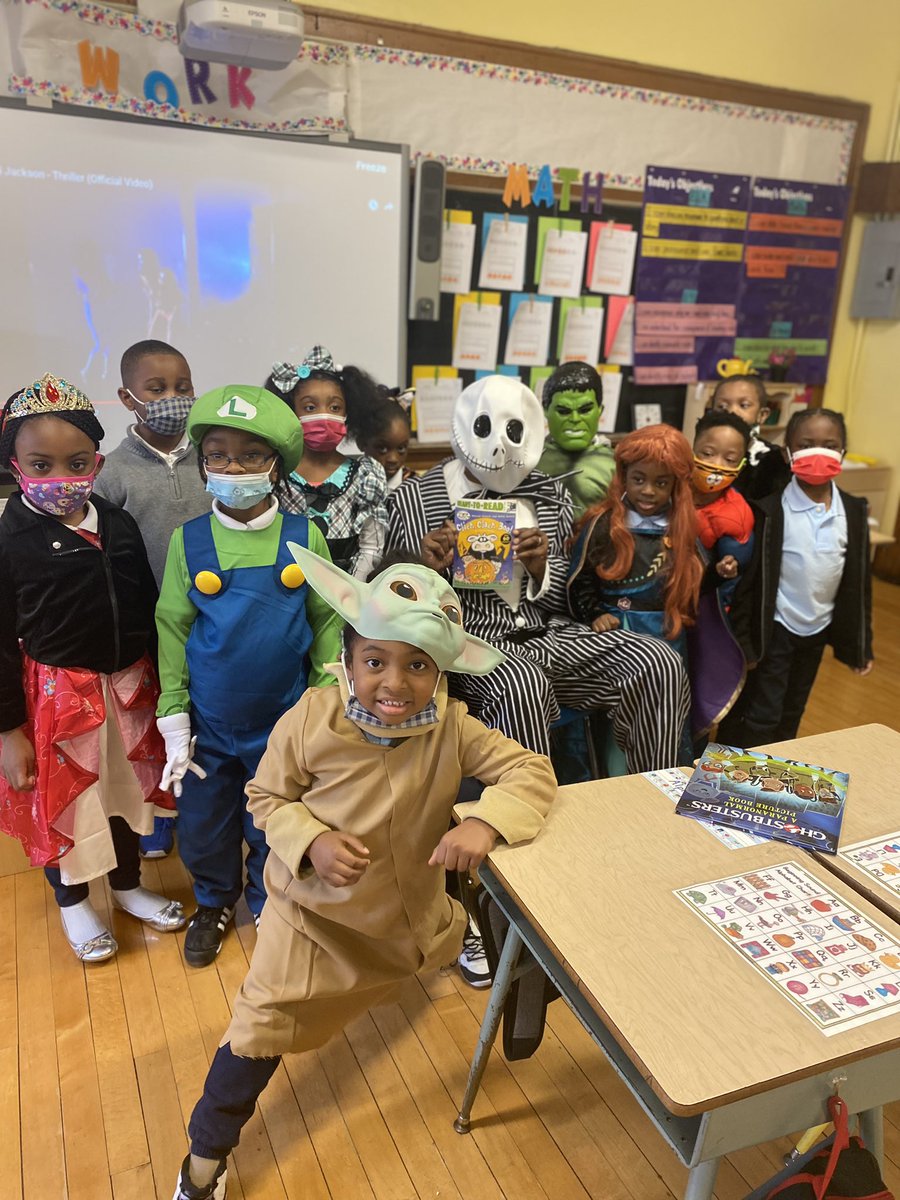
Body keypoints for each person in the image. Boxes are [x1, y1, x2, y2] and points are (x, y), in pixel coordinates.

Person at [171, 547, 556, 1200]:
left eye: (418, 666)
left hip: (406, 916)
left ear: (442, 674)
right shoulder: (310, 720)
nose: (394, 683)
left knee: (503, 938)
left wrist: (485, 822)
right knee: (257, 1031)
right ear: (347, 658)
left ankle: (473, 951)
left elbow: (531, 770)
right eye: (376, 660)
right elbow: (265, 798)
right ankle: (204, 1158)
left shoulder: (454, 728)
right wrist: (311, 841)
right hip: (312, 921)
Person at [387, 375, 690, 771]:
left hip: (550, 634)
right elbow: (391, 598)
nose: (499, 446)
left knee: (658, 662)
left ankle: (651, 797)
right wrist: (426, 570)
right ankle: (527, 813)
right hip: (468, 644)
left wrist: (542, 567)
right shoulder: (414, 498)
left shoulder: (550, 493)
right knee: (522, 683)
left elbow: (575, 594)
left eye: (514, 430)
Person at [155, 385, 343, 967]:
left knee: (276, 822)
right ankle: (213, 901)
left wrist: (328, 698)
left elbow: (328, 619)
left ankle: (270, 898)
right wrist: (173, 711)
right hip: (210, 725)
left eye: (250, 456)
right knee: (204, 825)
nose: (232, 467)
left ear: (275, 465)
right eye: (217, 454)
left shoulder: (303, 535)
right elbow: (172, 627)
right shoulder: (188, 541)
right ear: (202, 462)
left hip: (283, 723)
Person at [0, 374, 183, 963]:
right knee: (70, 801)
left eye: (76, 463)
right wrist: (9, 731)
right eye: (41, 465)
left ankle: (127, 886)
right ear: (15, 465)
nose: (61, 479)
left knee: (126, 792)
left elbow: (146, 600)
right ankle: (73, 898)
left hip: (127, 687)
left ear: (97, 460)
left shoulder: (116, 520)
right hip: (57, 695)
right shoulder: (10, 537)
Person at [94, 338, 211, 860]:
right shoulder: (112, 472)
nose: (173, 397)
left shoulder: (213, 456)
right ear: (127, 397)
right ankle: (161, 809)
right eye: (157, 388)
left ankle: (205, 801)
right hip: (149, 623)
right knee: (157, 717)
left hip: (212, 615)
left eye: (182, 386)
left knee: (205, 709)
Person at [721, 408, 873, 747]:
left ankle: (779, 777)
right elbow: (750, 584)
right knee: (764, 712)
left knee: (793, 710)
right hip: (776, 628)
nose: (818, 452)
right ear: (788, 452)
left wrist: (861, 644)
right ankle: (750, 782)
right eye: (807, 444)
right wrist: (744, 643)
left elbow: (858, 582)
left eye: (829, 444)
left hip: (817, 628)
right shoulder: (769, 511)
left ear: (843, 453)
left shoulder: (853, 510)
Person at [266, 345, 388, 577]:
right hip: (286, 588)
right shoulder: (276, 472)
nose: (324, 415)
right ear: (291, 411)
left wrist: (350, 593)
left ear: (348, 413)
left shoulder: (366, 474)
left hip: (346, 594)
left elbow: (371, 548)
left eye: (335, 407)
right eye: (310, 407)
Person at [536, 362, 615, 520]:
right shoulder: (528, 459)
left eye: (585, 410)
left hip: (594, 542)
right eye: (563, 411)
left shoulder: (615, 463)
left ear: (600, 410)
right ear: (545, 409)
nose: (575, 419)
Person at [692, 411, 756, 605]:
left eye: (729, 459)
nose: (717, 465)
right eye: (708, 453)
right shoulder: (669, 485)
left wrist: (729, 566)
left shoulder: (737, 514)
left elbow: (733, 574)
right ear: (692, 449)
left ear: (741, 465)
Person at [709, 374, 789, 500]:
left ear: (762, 415)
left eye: (744, 405)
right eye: (722, 406)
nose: (732, 411)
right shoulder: (701, 453)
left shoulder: (772, 459)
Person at [355, 392, 413, 492]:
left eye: (401, 448)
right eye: (382, 449)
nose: (393, 459)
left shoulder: (416, 486)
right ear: (361, 443)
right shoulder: (350, 483)